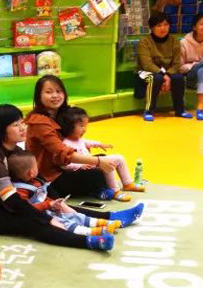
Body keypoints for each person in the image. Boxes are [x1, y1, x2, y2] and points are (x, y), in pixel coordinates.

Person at [0, 104, 141, 251]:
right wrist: (47, 219)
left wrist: (55, 202)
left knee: (58, 206)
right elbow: (13, 202)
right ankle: (88, 241)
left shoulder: (13, 149)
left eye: (22, 122)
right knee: (32, 221)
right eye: (16, 125)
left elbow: (39, 180)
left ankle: (112, 217)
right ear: (1, 132)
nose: (23, 127)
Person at [25, 75, 138, 204]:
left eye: (58, 91)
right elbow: (62, 152)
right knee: (97, 172)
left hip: (65, 167)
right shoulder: (39, 122)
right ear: (38, 96)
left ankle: (113, 185)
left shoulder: (60, 114)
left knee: (103, 160)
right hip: (51, 177)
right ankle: (100, 190)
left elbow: (75, 140)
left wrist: (95, 157)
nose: (55, 95)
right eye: (48, 92)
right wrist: (97, 161)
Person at [7, 151, 120, 237]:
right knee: (65, 222)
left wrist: (54, 203)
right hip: (41, 214)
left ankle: (102, 222)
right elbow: (27, 208)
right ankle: (93, 232)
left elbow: (43, 197)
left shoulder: (35, 181)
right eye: (36, 166)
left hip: (50, 208)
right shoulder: (20, 190)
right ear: (31, 172)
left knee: (73, 215)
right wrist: (49, 205)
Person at [57, 106, 145, 202]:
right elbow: (64, 165)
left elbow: (88, 142)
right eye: (81, 126)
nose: (85, 129)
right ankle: (115, 190)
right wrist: (80, 166)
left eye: (86, 126)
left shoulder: (78, 139)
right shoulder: (65, 144)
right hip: (81, 171)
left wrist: (99, 144)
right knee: (107, 163)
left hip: (91, 164)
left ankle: (127, 183)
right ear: (69, 127)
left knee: (119, 158)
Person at [135, 12, 192, 121]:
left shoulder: (174, 41)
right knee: (155, 78)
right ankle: (148, 111)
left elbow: (176, 64)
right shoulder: (145, 42)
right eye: (159, 25)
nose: (163, 28)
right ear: (152, 27)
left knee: (179, 78)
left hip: (167, 73)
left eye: (166, 24)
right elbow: (147, 65)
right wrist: (164, 75)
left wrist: (167, 75)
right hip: (144, 72)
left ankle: (180, 110)